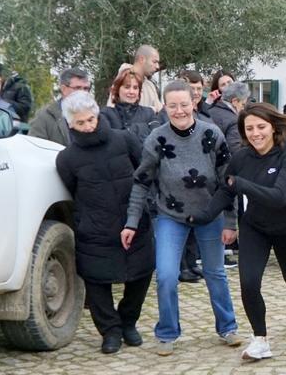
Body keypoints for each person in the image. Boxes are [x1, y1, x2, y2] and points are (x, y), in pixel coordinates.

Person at [124, 80, 241, 355]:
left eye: (184, 105)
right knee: (165, 274)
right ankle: (167, 331)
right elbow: (141, 182)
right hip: (171, 215)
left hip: (209, 213)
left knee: (215, 272)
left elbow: (229, 181)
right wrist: (131, 221)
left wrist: (230, 221)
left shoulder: (212, 134)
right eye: (173, 105)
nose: (179, 111)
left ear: (194, 103)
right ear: (165, 107)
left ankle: (228, 326)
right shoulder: (156, 139)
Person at [207, 103, 286, 361]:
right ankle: (260, 339)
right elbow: (225, 189)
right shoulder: (242, 157)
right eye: (249, 128)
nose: (255, 133)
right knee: (249, 282)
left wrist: (241, 184)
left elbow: (279, 197)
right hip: (255, 227)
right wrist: (203, 216)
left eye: (261, 127)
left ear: (273, 126)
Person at [56, 91, 156, 354]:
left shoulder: (124, 139)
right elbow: (71, 188)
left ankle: (128, 322)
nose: (88, 127)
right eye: (81, 123)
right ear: (70, 124)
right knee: (97, 281)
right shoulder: (67, 159)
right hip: (94, 227)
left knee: (141, 274)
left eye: (91, 119)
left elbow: (143, 173)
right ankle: (109, 331)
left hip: (133, 220)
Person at [29, 68, 92, 146]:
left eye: (86, 89)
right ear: (64, 89)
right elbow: (35, 148)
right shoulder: (45, 117)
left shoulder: (94, 116)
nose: (83, 93)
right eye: (77, 88)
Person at [102, 67, 160, 149]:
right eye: (127, 87)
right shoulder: (106, 114)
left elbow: (157, 139)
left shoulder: (149, 113)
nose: (131, 92)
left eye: (135, 88)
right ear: (117, 89)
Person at [207, 81, 250, 153]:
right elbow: (235, 151)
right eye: (243, 104)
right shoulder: (234, 121)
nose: (243, 108)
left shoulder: (209, 111)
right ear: (235, 101)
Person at [132, 44, 163, 111]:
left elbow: (160, 112)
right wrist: (151, 110)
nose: (157, 66)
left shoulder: (150, 85)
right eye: (154, 62)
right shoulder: (122, 81)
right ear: (142, 59)